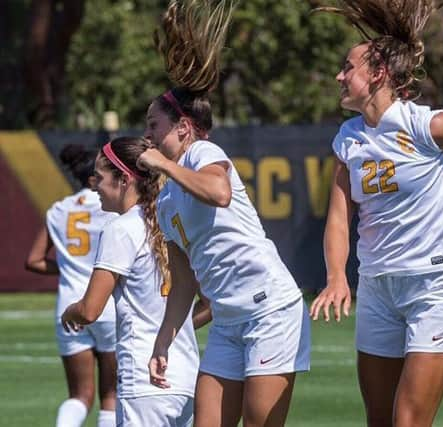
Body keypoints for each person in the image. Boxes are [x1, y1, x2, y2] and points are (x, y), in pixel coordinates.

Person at [307, 1, 443, 426]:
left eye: (348, 68)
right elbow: (337, 218)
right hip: (378, 287)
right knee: (380, 420)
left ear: (378, 74)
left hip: (436, 285)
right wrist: (335, 277)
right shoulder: (348, 138)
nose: (339, 76)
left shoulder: (426, 125)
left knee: (408, 421)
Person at [139, 1, 311, 426]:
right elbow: (183, 283)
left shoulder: (202, 152)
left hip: (270, 310)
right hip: (229, 321)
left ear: (182, 127)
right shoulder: (165, 203)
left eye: (153, 125)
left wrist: (163, 165)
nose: (147, 134)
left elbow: (219, 193)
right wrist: (163, 342)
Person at [61, 137, 200, 426]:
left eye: (99, 178)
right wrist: (174, 325)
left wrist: (69, 312)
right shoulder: (173, 220)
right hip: (186, 376)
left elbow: (90, 310)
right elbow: (207, 302)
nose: (94, 186)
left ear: (123, 180)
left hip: (145, 379)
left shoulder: (121, 229)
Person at [25, 143, 118, 427]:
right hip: (107, 304)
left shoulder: (59, 210)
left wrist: (67, 267)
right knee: (112, 395)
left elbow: (34, 260)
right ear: (94, 178)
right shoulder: (112, 207)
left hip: (68, 305)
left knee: (79, 395)